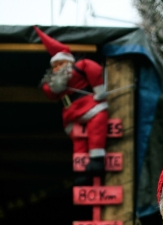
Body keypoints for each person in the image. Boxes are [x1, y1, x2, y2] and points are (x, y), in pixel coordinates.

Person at [34, 26, 108, 185]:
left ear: (67, 61)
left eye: (59, 64)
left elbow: (93, 69)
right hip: (70, 114)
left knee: (97, 128)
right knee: (79, 143)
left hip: (90, 107)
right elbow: (49, 92)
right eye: (54, 66)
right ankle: (81, 172)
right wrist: (50, 83)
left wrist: (99, 90)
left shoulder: (79, 67)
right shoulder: (56, 83)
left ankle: (96, 160)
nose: (56, 68)